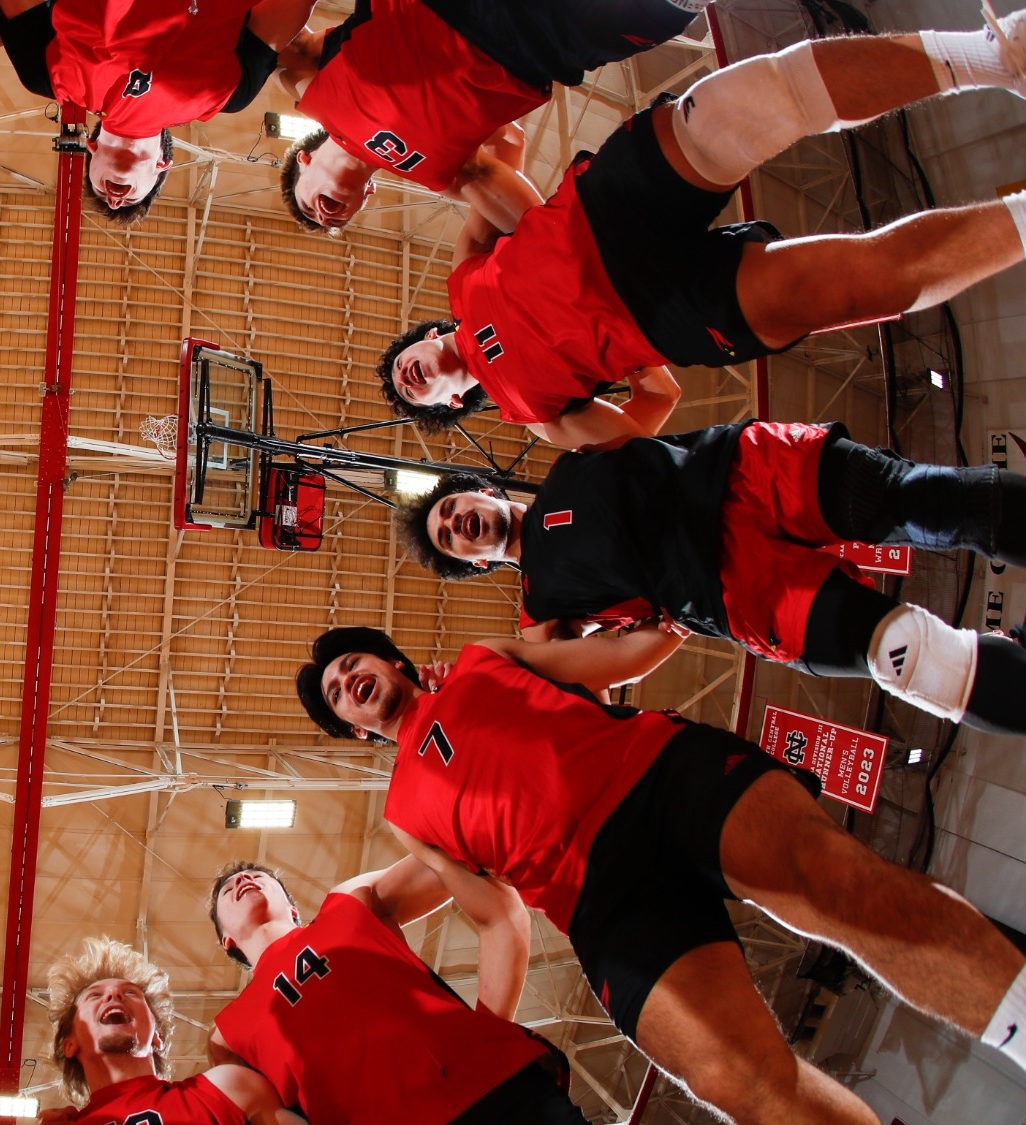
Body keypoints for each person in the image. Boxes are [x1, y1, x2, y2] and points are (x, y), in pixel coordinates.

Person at [295, 624, 1026, 1122]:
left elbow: (617, 662)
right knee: (728, 1076)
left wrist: (675, 611)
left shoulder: (484, 657)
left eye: (353, 663)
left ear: (392, 660)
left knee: (834, 886)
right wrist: (486, 1040)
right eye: (335, 691)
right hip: (598, 899)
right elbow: (495, 914)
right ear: (354, 727)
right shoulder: (404, 812)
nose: (348, 680)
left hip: (656, 777)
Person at [375, 21, 1026, 449]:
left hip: (607, 210)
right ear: (453, 400)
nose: (410, 378)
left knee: (745, 107)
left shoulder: (464, 280)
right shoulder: (533, 414)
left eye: (403, 367)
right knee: (834, 290)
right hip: (662, 313)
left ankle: (997, 55)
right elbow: (639, 437)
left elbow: (493, 164)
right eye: (415, 392)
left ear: (426, 337)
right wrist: (631, 354)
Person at [401, 420, 1026, 735]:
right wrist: (447, 697)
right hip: (729, 590)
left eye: (454, 511)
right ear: (472, 565)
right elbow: (588, 685)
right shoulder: (541, 611)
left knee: (921, 499)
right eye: (450, 539)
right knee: (909, 658)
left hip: (749, 473)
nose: (459, 525)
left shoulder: (569, 454)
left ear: (483, 491)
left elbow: (652, 392)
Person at [205, 861, 588, 1123]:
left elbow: (447, 852)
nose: (242, 880)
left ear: (292, 907)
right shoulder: (226, 1036)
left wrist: (486, 1028)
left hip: (498, 1088)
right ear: (226, 940)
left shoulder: (350, 903)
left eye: (257, 874)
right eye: (227, 888)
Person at [277, 0, 700, 235]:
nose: (326, 216)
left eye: (308, 209)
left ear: (304, 160)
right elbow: (538, 231)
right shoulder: (445, 175)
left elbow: (266, 34)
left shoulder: (306, 85)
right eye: (335, 222)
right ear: (367, 196)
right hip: (543, 44)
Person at [0, 0, 317, 223]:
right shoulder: (229, 96)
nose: (115, 198)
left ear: (91, 149)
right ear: (163, 166)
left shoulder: (47, 75)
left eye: (100, 193)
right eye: (131, 200)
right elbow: (284, 11)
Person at [43, 936, 294, 1125]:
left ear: (156, 1035)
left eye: (131, 993)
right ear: (69, 1044)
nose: (114, 994)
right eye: (94, 996)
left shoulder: (229, 1088)